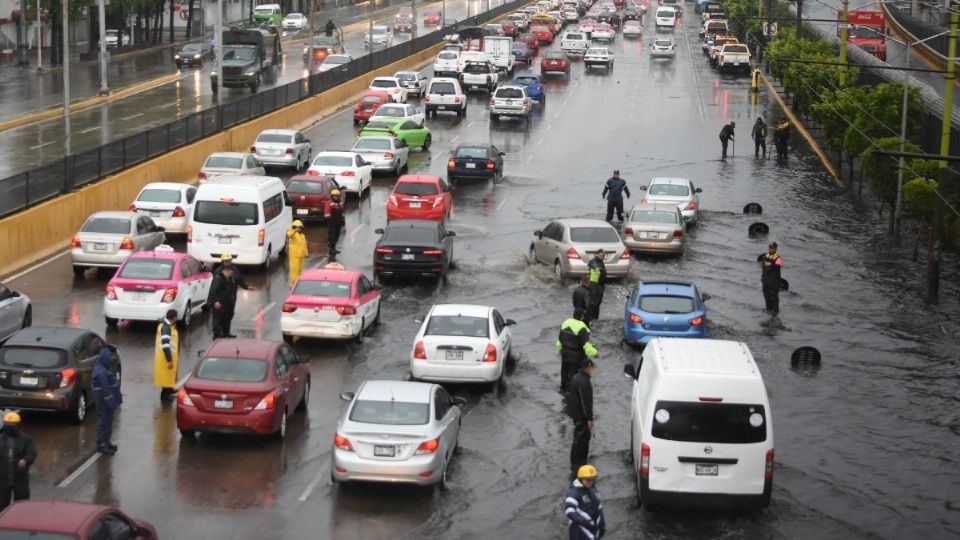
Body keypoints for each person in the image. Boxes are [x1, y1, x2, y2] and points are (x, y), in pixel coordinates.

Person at [208, 255, 253, 338]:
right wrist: (215, 301)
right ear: (223, 262)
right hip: (220, 302)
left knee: (228, 316)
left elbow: (239, 280)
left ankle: (226, 333)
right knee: (218, 319)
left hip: (230, 300)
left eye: (230, 260)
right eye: (227, 261)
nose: (229, 262)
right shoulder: (218, 274)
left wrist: (246, 286)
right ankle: (217, 336)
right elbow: (213, 290)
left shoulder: (234, 270)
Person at [0, 412, 37, 511]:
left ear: (17, 425)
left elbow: (32, 452)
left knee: (21, 506)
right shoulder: (1, 439)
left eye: (11, 426)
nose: (9, 428)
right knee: (2, 505)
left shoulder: (25, 439)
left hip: (20, 479)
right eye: (7, 425)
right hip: (3, 479)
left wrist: (25, 460)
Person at [555, 309, 598, 392]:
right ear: (582, 317)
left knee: (564, 372)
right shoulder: (583, 328)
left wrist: (561, 350)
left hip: (564, 353)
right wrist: (595, 353)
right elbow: (586, 346)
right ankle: (569, 394)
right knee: (572, 375)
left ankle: (562, 389)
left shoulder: (565, 323)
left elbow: (559, 341)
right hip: (576, 357)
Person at [564, 359, 595, 475]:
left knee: (578, 439)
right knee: (582, 439)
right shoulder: (584, 381)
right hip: (582, 416)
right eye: (591, 368)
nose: (592, 370)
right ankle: (579, 463)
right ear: (588, 367)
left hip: (576, 414)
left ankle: (576, 463)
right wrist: (589, 418)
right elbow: (585, 401)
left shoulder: (576, 377)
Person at [92, 346, 122, 455]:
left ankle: (106, 441)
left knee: (108, 421)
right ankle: (102, 444)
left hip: (105, 401)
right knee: (104, 422)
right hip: (103, 401)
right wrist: (112, 402)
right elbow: (106, 389)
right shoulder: (101, 372)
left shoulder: (104, 369)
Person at [564, 464, 606, 540]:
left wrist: (602, 525)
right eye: (587, 480)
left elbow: (599, 508)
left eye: (592, 479)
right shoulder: (574, 493)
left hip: (594, 528)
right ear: (580, 479)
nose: (590, 482)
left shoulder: (594, 491)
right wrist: (583, 521)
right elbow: (569, 511)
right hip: (580, 531)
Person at [154, 309, 179, 400]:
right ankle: (165, 396)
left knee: (168, 376)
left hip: (165, 356)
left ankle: (169, 389)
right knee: (166, 377)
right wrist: (169, 360)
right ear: (174, 317)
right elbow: (165, 344)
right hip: (165, 357)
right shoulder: (166, 328)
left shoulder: (165, 325)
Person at [757, 242, 783, 314]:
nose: (770, 249)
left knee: (774, 299)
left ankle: (775, 314)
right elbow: (763, 268)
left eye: (772, 248)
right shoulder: (765, 256)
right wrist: (762, 277)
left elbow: (779, 264)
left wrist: (770, 264)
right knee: (767, 298)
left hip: (774, 282)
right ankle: (768, 312)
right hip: (766, 281)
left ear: (775, 248)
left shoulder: (778, 257)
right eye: (769, 248)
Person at [287, 220, 308, 288]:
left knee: (300, 270)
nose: (299, 228)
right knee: (294, 271)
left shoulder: (302, 236)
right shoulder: (292, 233)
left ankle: (298, 284)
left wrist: (306, 253)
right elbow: (289, 235)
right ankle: (293, 285)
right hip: (294, 256)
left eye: (300, 227)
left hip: (300, 256)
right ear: (294, 227)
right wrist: (294, 230)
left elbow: (304, 245)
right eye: (297, 227)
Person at [324, 189, 346, 257]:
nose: (336, 197)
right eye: (335, 196)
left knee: (337, 236)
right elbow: (327, 214)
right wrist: (330, 219)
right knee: (332, 237)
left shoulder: (340, 203)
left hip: (338, 223)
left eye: (337, 196)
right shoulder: (329, 203)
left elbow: (342, 211)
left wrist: (342, 219)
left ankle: (334, 248)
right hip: (332, 223)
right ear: (332, 196)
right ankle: (331, 250)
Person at [586, 250, 607, 322]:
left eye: (604, 255)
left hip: (600, 285)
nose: (603, 256)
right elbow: (592, 264)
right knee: (592, 302)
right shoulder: (593, 261)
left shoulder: (601, 262)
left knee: (598, 303)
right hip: (594, 285)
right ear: (597, 254)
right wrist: (597, 268)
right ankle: (589, 319)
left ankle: (595, 319)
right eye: (601, 255)